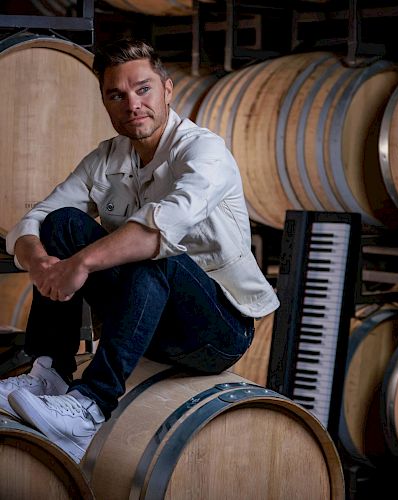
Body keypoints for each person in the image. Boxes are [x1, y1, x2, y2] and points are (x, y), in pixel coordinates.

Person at [0, 38, 279, 463]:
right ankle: (50, 373)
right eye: (117, 95)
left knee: (153, 256)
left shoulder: (204, 151)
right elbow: (39, 217)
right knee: (63, 225)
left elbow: (159, 230)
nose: (133, 104)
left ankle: (91, 408)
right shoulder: (107, 157)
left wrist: (80, 264)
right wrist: (40, 262)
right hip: (145, 318)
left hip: (217, 330)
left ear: (167, 90)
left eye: (143, 89)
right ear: (106, 103)